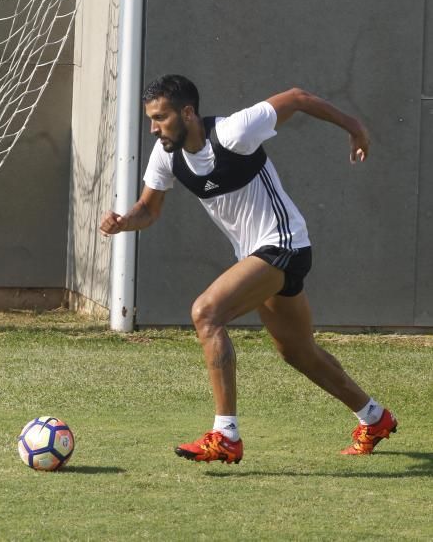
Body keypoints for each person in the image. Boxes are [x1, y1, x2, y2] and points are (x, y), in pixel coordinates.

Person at [100, 74, 397, 463]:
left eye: (161, 117)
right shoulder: (166, 155)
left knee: (206, 313)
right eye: (151, 119)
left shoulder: (233, 132)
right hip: (260, 256)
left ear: (188, 113)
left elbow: (298, 97)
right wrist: (125, 221)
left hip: (283, 244)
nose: (154, 128)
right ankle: (374, 417)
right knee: (298, 353)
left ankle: (226, 435)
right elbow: (149, 210)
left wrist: (355, 126)